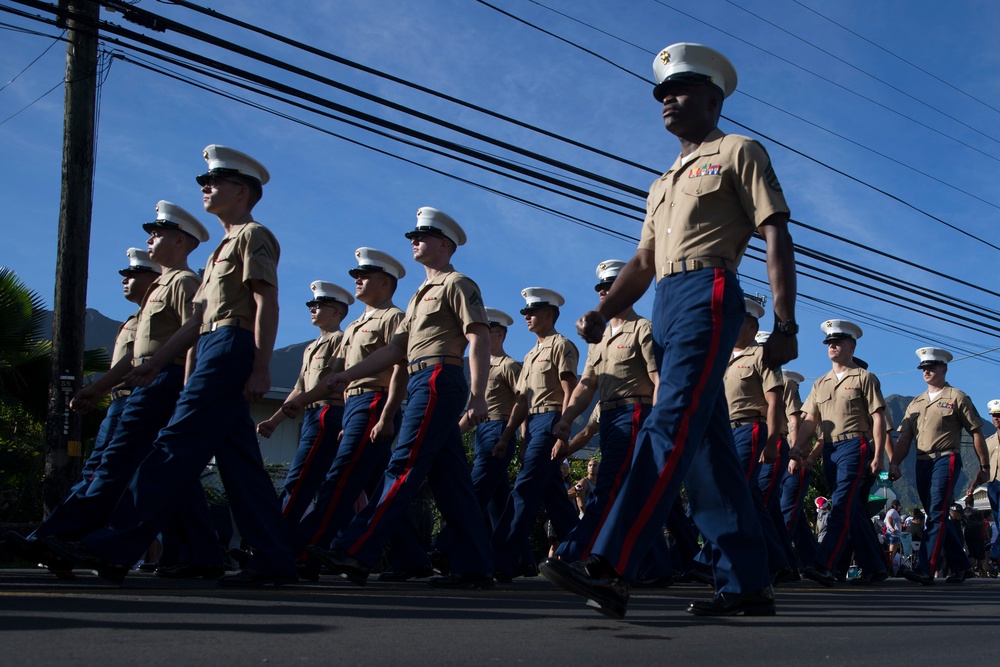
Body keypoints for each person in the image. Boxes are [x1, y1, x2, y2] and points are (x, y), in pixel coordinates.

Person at [540, 42, 797, 619]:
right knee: (707, 451)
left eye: (680, 91)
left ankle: (610, 564)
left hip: (710, 292)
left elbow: (775, 234)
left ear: (713, 99)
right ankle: (747, 583)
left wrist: (784, 322)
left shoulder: (738, 151)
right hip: (665, 301)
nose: (667, 101)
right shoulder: (661, 184)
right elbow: (642, 262)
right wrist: (604, 313)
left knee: (669, 421)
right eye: (661, 94)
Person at [40, 145, 298, 587]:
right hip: (214, 342)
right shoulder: (221, 249)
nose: (205, 188)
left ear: (241, 191)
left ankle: (112, 545)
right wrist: (155, 363)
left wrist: (260, 366)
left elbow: (265, 302)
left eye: (214, 182)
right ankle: (275, 558)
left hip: (233, 343)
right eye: (204, 182)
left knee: (172, 444)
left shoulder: (255, 235)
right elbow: (196, 321)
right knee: (241, 464)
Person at [305, 207, 495, 589]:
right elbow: (395, 351)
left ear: (444, 244)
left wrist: (477, 395)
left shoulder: (458, 284)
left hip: (442, 376)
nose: (414, 241)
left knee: (404, 462)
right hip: (423, 377)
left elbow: (478, 336)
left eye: (422, 236)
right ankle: (475, 564)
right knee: (451, 480)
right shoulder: (418, 296)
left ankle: (356, 549)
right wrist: (347, 374)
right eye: (413, 236)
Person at [0, 247, 158, 574]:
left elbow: (139, 359)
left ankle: (56, 539)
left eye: (134, 274)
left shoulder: (153, 317)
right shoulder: (134, 319)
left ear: (154, 280)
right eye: (125, 275)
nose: (126, 280)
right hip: (122, 400)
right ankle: (64, 542)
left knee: (104, 474)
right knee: (121, 474)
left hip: (136, 397)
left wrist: (98, 387)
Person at [283, 248, 423, 581]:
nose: (357, 280)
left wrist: (388, 414)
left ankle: (303, 551)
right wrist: (299, 403)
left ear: (385, 282)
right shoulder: (357, 325)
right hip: (354, 407)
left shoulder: (393, 318)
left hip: (376, 403)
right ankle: (412, 557)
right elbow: (335, 377)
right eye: (356, 276)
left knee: (340, 480)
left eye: (365, 275)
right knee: (375, 485)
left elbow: (399, 370)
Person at [491, 287, 580, 581]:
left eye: (532, 312)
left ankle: (500, 560)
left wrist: (563, 432)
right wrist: (511, 437)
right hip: (535, 425)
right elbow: (522, 402)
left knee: (524, 491)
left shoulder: (561, 346)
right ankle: (585, 553)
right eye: (525, 312)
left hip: (553, 420)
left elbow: (570, 392)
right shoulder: (530, 355)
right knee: (554, 496)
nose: (527, 316)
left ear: (550, 314)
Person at [792, 320, 889, 586]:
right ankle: (875, 567)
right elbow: (810, 421)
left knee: (842, 505)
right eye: (828, 343)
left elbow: (878, 418)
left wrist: (879, 454)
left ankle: (826, 565)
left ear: (851, 346)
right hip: (830, 450)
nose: (832, 346)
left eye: (837, 342)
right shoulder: (820, 383)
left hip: (854, 446)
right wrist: (797, 448)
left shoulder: (864, 378)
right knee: (853, 509)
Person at [889, 347, 989, 585]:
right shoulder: (916, 403)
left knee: (935, 514)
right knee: (938, 516)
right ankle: (963, 567)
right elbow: (904, 439)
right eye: (924, 367)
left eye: (932, 367)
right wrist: (893, 463)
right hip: (923, 462)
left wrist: (983, 465)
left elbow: (976, 432)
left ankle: (925, 568)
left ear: (944, 369)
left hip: (947, 459)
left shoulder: (957, 397)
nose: (927, 371)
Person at [257, 280, 353, 525]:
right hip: (310, 415)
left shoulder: (340, 340)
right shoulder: (311, 348)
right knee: (318, 481)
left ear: (337, 311)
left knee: (300, 479)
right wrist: (274, 420)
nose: (313, 308)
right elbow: (299, 388)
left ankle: (279, 539)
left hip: (327, 413)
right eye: (311, 304)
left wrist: (302, 402)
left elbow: (332, 381)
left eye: (319, 304)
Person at [719, 297, 793, 583]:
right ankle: (778, 561)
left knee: (734, 492)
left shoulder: (763, 356)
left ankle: (719, 559)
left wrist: (773, 440)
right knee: (749, 498)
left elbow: (774, 402)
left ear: (751, 326)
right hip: (725, 432)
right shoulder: (722, 357)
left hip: (750, 430)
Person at [465, 307, 522, 531]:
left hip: (498, 430)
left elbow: (523, 403)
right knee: (497, 504)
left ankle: (444, 548)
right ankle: (516, 561)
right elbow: (472, 413)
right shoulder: (479, 368)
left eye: (486, 330)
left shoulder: (508, 366)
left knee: (473, 492)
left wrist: (517, 438)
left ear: (499, 334)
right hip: (482, 431)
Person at [777, 369, 818, 568]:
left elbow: (821, 437)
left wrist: (805, 457)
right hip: (781, 464)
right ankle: (812, 563)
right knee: (797, 518)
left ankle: (782, 563)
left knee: (787, 515)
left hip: (796, 465)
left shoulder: (804, 416)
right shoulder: (776, 411)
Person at [985, 400, 1000, 566]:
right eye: (994, 415)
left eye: (998, 415)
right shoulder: (989, 441)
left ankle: (995, 553)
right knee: (998, 521)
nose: (996, 418)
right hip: (992, 483)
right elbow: (984, 465)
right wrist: (974, 485)